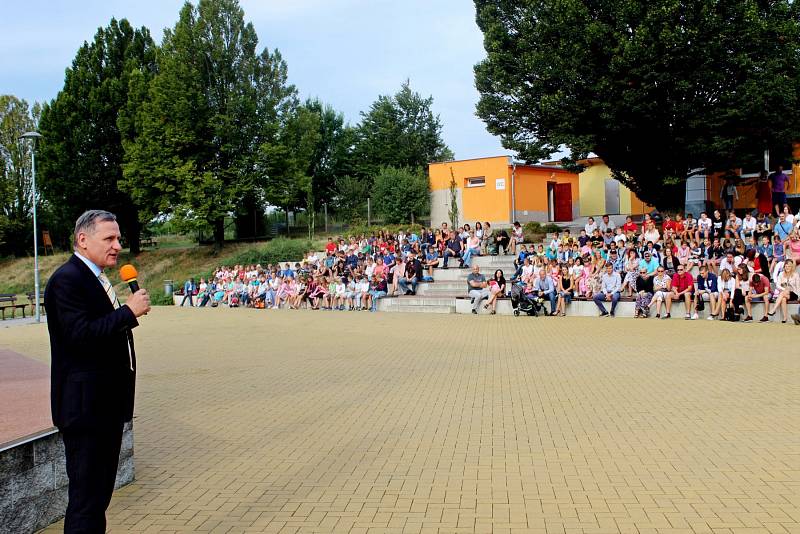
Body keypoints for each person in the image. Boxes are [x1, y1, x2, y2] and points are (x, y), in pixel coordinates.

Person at [44, 210, 151, 533]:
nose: (117, 245)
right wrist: (128, 312)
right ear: (83, 239)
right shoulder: (68, 279)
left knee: (98, 496)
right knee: (86, 501)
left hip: (104, 406)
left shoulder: (95, 277)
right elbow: (79, 336)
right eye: (109, 238)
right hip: (85, 409)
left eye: (118, 238)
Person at [768, 259, 799, 323]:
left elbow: (798, 287)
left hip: (794, 294)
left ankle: (773, 309)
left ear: (792, 267)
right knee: (783, 299)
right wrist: (785, 289)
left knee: (783, 293)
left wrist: (799, 296)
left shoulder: (796, 275)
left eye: (789, 266)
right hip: (785, 294)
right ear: (784, 267)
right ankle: (785, 318)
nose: (787, 268)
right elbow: (777, 285)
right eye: (786, 266)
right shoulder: (781, 274)